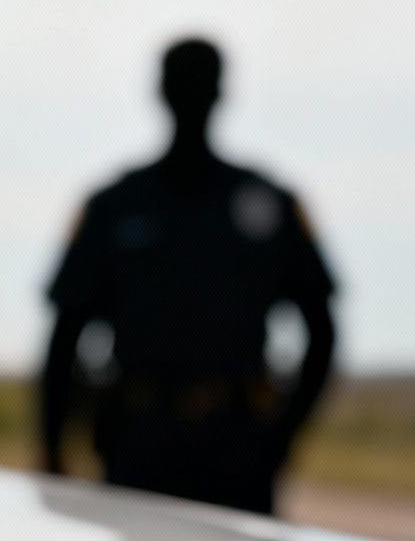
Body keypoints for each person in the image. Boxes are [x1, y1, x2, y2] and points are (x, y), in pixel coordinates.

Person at [40, 38, 336, 515]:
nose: (190, 94)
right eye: (181, 82)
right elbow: (64, 336)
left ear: (220, 93)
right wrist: (52, 451)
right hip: (137, 447)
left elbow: (321, 327)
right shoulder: (116, 206)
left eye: (200, 82)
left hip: (238, 449)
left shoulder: (265, 204)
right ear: (162, 92)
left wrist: (283, 436)